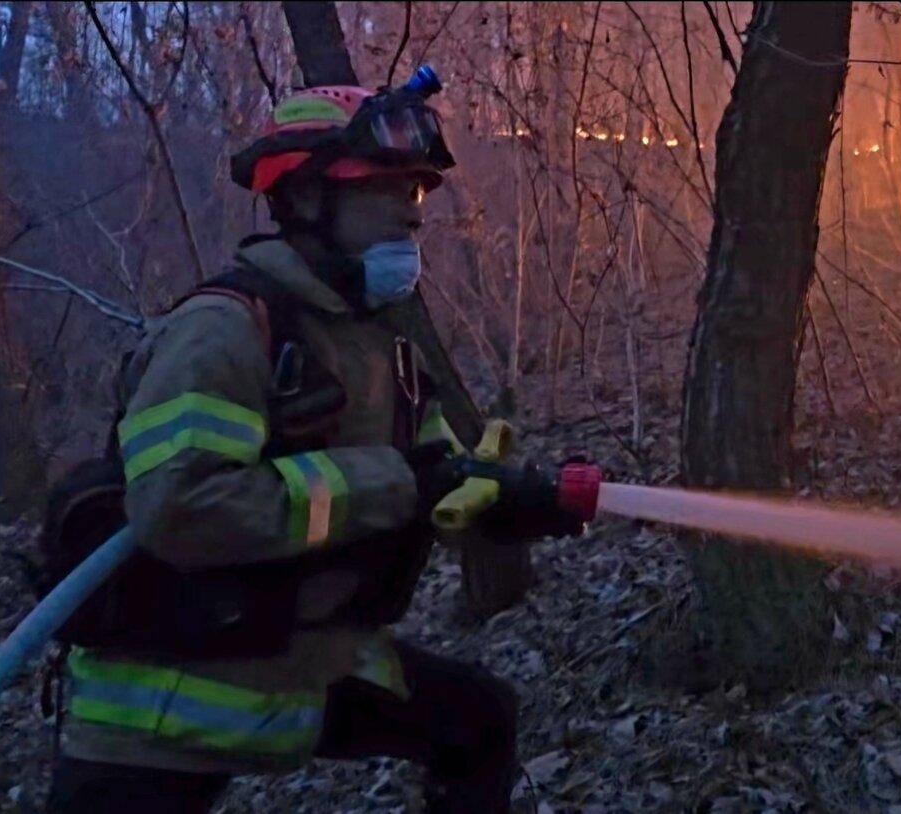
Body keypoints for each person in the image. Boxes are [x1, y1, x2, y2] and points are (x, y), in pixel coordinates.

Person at [47, 74, 551, 813]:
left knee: (477, 720)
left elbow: (431, 474)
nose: (412, 217)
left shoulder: (376, 338)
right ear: (308, 200)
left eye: (416, 194)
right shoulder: (222, 331)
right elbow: (181, 506)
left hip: (294, 659)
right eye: (385, 191)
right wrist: (397, 487)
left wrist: (504, 501)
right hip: (166, 696)